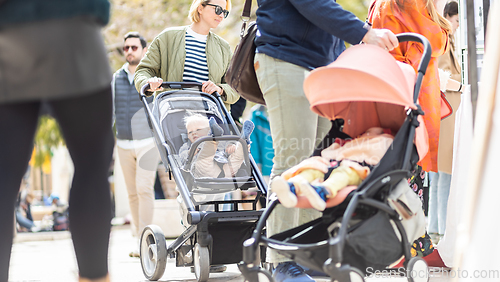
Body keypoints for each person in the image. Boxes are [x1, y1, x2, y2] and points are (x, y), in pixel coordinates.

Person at [254, 0, 399, 280]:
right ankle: (282, 261)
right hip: (287, 58)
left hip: (319, 68)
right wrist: (363, 32)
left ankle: (308, 255)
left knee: (319, 162)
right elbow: (313, 4)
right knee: (292, 159)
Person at [0, 0, 114, 281]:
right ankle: (95, 276)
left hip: (7, 28)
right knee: (92, 164)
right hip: (71, 22)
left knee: (2, 175)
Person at [368, 0, 457, 265]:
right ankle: (405, 248)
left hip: (407, 97)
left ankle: (410, 244)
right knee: (403, 173)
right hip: (403, 99)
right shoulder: (400, 5)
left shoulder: (397, 5)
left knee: (406, 173)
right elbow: (429, 41)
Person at [134, 0, 239, 110]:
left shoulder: (224, 48)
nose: (221, 15)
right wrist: (149, 82)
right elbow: (143, 70)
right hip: (171, 116)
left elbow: (235, 88)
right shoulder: (167, 37)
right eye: (218, 9)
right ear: (200, 8)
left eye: (224, 12)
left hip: (209, 119)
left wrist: (220, 89)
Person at [112, 31, 159, 258]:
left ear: (143, 50)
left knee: (144, 189)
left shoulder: (152, 78)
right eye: (126, 48)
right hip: (123, 144)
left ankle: (147, 241)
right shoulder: (115, 79)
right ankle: (139, 239)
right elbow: (110, 111)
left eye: (133, 47)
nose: (129, 51)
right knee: (132, 193)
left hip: (148, 142)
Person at [272, 127, 394, 211]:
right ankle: (292, 187)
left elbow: (376, 153)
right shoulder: (350, 141)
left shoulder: (386, 141)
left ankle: (323, 191)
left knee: (344, 173)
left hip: (357, 170)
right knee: (313, 168)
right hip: (332, 165)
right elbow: (330, 152)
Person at [428, 0, 461, 244]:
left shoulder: (445, 38)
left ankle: (436, 229)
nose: (458, 26)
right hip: (446, 112)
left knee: (440, 174)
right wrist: (461, 86)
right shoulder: (441, 38)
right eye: (457, 21)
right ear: (447, 16)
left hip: (445, 113)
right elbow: (439, 77)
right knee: (443, 173)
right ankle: (440, 232)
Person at [179, 113, 254, 178]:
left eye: (198, 130)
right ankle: (212, 139)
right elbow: (182, 157)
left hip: (226, 168)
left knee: (237, 158)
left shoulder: (221, 142)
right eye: (190, 132)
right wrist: (190, 153)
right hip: (204, 171)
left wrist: (231, 145)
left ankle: (243, 142)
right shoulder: (188, 146)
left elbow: (228, 142)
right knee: (205, 157)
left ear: (208, 130)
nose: (194, 133)